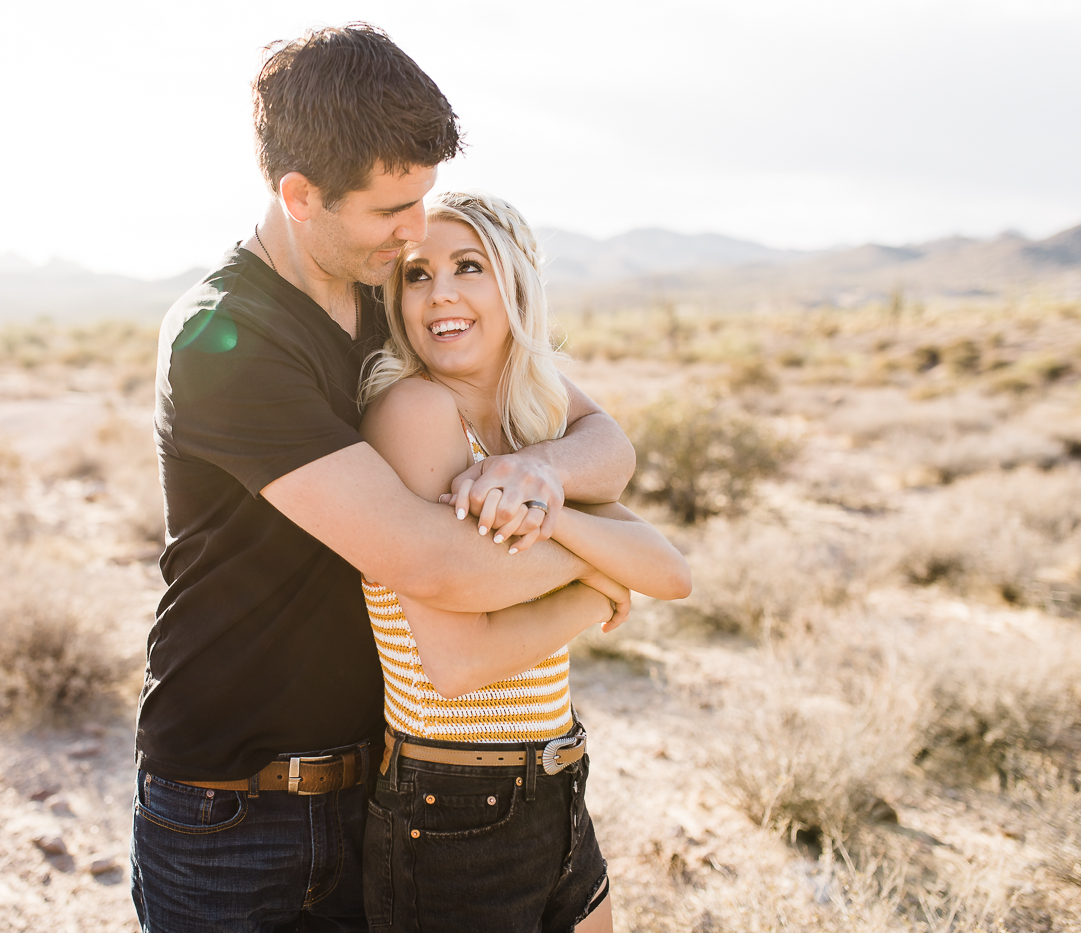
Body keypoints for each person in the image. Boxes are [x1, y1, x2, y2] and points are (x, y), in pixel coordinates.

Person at [132, 24, 637, 933]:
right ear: (299, 195)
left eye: (424, 200)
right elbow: (437, 565)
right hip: (233, 814)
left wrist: (537, 471)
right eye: (389, 211)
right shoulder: (224, 340)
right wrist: (609, 563)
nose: (416, 235)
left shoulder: (395, 296)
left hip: (385, 784)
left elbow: (602, 433)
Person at [358, 191, 692, 933]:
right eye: (417, 274)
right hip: (450, 802)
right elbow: (455, 663)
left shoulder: (524, 419)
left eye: (467, 266)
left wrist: (550, 497)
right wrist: (596, 587)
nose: (440, 290)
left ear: (514, 285)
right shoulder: (414, 411)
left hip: (557, 777)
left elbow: (672, 571)